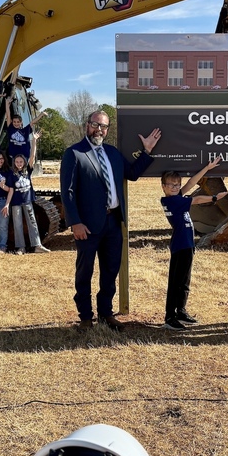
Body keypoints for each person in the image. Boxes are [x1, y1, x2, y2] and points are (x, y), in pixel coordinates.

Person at [60, 110, 161, 331]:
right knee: (85, 272)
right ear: (87, 125)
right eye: (96, 125)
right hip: (86, 226)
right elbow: (67, 192)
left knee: (110, 270)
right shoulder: (74, 153)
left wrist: (147, 151)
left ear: (107, 130)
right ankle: (85, 317)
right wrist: (75, 222)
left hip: (113, 223)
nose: (99, 130)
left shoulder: (112, 153)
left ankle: (106, 313)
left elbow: (132, 174)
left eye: (104, 127)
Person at [159, 157, 227, 330]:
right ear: (164, 187)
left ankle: (181, 311)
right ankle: (170, 317)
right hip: (180, 245)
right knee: (176, 282)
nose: (175, 188)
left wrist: (207, 168)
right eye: (171, 185)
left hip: (188, 244)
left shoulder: (176, 196)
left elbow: (190, 183)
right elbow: (195, 200)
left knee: (185, 280)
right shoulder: (172, 201)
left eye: (177, 185)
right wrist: (214, 198)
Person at [5, 153, 48, 255]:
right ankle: (21, 247)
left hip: (27, 201)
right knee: (18, 225)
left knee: (32, 222)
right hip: (16, 203)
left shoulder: (27, 171)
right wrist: (7, 204)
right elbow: (11, 190)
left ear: (24, 162)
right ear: (14, 163)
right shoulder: (11, 174)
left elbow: (32, 157)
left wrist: (34, 141)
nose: (19, 164)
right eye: (17, 162)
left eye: (21, 161)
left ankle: (37, 245)